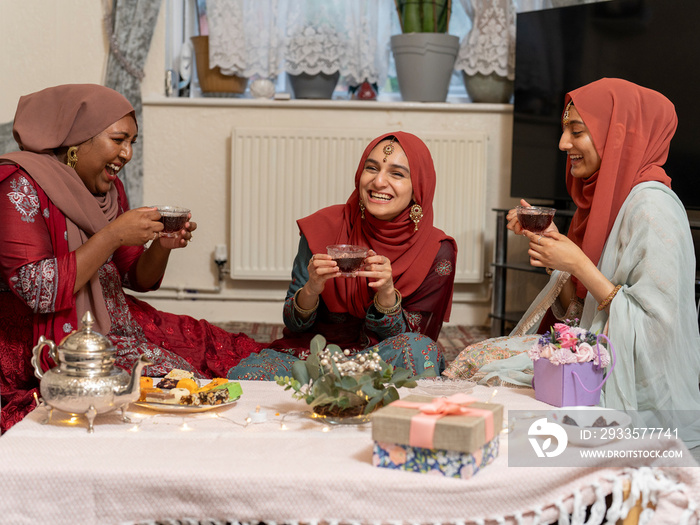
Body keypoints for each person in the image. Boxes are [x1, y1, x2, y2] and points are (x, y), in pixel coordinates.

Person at [445, 78, 700, 446]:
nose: (563, 144)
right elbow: (575, 320)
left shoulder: (653, 210)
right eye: (565, 130)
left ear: (618, 136)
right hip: (589, 355)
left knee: (487, 380)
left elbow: (657, 339)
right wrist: (552, 250)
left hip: (642, 389)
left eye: (576, 131)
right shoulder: (602, 201)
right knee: (475, 357)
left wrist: (578, 264)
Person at [0, 84, 263, 432]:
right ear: (77, 140)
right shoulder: (19, 184)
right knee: (178, 386)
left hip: (118, 320)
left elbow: (134, 278)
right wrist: (113, 235)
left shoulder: (106, 190)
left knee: (216, 347)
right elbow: (36, 289)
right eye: (118, 139)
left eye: (132, 143)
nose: (127, 154)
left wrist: (162, 246)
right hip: (51, 340)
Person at [228, 131, 457, 380]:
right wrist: (312, 288)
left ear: (418, 188)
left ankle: (338, 395)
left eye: (397, 173)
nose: (378, 182)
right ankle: (336, 392)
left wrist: (387, 296)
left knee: (420, 350)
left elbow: (416, 338)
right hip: (312, 358)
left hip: (378, 361)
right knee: (248, 376)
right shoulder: (323, 227)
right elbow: (294, 324)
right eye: (372, 168)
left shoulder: (436, 250)